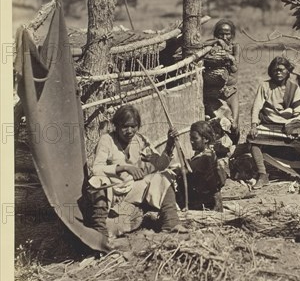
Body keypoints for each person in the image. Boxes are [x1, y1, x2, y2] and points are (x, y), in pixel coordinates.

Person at [87, 104, 186, 238]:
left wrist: (169, 144)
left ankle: (171, 223)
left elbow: (160, 165)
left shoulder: (139, 140)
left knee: (162, 177)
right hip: (113, 195)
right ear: (116, 125)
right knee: (98, 181)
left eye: (133, 126)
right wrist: (124, 167)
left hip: (133, 191)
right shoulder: (107, 140)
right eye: (125, 126)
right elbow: (96, 168)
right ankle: (100, 233)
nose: (129, 131)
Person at [248, 56, 300, 189]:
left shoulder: (294, 88)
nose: (278, 73)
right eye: (275, 70)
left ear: (288, 71)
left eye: (281, 70)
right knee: (253, 140)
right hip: (269, 122)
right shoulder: (265, 86)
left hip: (289, 124)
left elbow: (299, 110)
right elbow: (257, 106)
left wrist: (294, 126)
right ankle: (262, 174)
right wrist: (254, 125)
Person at [176, 121, 227, 212]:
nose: (191, 141)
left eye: (195, 138)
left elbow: (185, 171)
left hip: (204, 205)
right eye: (190, 138)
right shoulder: (206, 155)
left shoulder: (206, 158)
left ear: (205, 139)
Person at [203, 19, 240, 133]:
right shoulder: (211, 46)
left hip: (230, 91)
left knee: (234, 125)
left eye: (227, 33)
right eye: (221, 33)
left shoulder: (235, 47)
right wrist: (218, 42)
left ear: (232, 34)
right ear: (216, 34)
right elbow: (203, 44)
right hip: (213, 91)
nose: (224, 36)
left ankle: (234, 147)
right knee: (216, 123)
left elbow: (235, 68)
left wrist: (230, 58)